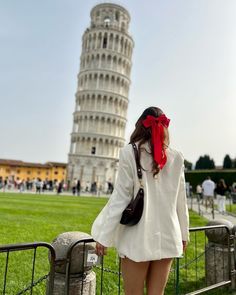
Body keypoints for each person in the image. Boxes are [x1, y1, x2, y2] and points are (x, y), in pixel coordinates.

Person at [91, 107, 189, 295]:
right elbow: (181, 200)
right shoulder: (176, 157)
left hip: (138, 236)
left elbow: (121, 197)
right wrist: (183, 234)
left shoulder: (130, 152)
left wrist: (104, 236)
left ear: (139, 125)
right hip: (168, 235)